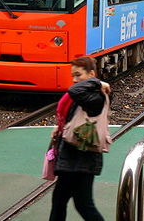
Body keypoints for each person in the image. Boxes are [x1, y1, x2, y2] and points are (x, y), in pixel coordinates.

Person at [48, 56, 110, 221]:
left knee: (81, 204)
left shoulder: (96, 96)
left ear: (91, 74)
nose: (74, 80)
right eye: (72, 75)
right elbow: (74, 113)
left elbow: (74, 91)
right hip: (74, 157)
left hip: (82, 158)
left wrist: (96, 83)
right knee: (63, 202)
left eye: (78, 75)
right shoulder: (88, 93)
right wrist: (60, 126)